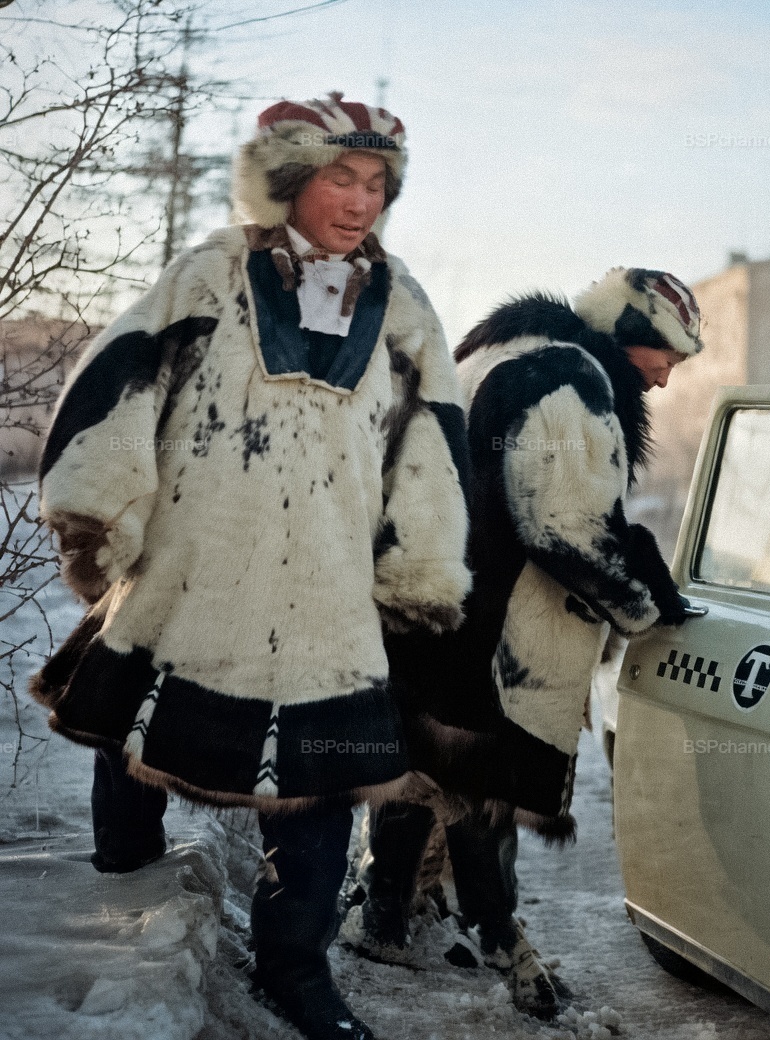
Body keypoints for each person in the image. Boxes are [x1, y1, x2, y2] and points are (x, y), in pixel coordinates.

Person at [30, 92, 472, 1040]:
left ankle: (295, 972)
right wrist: (101, 517)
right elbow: (121, 382)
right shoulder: (209, 274)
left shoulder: (407, 310)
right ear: (289, 181)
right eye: (339, 178)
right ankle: (127, 897)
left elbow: (431, 447)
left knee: (324, 783)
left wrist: (421, 569)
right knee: (139, 736)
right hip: (198, 562)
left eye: (376, 185)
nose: (360, 202)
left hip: (330, 589)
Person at [340, 268, 704, 1018]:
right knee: (480, 782)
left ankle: (383, 918)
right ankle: (500, 938)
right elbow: (565, 528)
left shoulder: (507, 346)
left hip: (428, 592)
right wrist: (645, 602)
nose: (666, 378)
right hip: (488, 621)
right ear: (631, 332)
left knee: (423, 762)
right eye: (665, 355)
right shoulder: (569, 377)